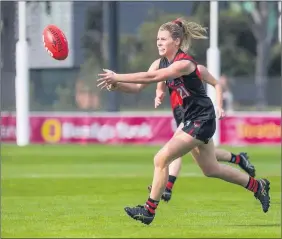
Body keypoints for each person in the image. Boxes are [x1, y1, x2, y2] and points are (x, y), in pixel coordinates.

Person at [97, 18, 270, 225]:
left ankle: (148, 211)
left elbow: (150, 78)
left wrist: (118, 76)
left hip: (202, 119)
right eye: (157, 39)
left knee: (161, 159)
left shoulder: (184, 63)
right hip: (192, 119)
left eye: (163, 39)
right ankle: (257, 186)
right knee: (211, 169)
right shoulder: (160, 62)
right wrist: (116, 86)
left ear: (176, 41)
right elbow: (136, 88)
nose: (159, 43)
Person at [148, 70, 255, 203]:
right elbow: (155, 79)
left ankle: (167, 188)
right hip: (182, 114)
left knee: (172, 152)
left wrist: (220, 106)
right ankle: (239, 159)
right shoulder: (167, 68)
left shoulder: (192, 67)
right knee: (208, 161)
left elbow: (216, 84)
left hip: (197, 116)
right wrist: (159, 91)